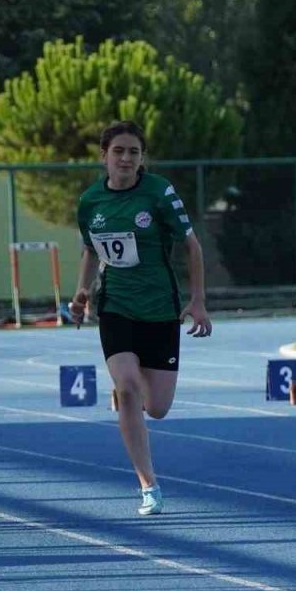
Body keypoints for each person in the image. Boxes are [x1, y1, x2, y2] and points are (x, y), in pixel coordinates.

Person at [67, 121, 212, 517]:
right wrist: (82, 291)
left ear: (142, 157)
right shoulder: (90, 202)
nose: (126, 159)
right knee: (128, 388)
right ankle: (149, 485)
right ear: (104, 156)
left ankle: (128, 394)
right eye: (119, 152)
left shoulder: (159, 192)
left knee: (158, 407)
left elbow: (191, 245)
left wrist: (197, 302)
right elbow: (90, 251)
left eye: (134, 152)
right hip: (115, 307)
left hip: (161, 309)